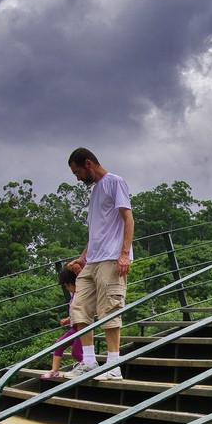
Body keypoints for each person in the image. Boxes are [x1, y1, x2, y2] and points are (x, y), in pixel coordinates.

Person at [63, 148, 135, 381]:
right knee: (79, 308)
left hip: (112, 258)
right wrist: (82, 257)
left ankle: (114, 366)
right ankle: (89, 362)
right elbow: (96, 233)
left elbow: (128, 219)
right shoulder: (95, 192)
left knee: (110, 309)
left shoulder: (115, 182)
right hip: (92, 261)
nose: (78, 178)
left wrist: (124, 254)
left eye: (78, 172)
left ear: (88, 164)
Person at [42, 267, 84, 379]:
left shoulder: (82, 294)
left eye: (67, 286)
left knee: (76, 353)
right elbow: (75, 313)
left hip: (82, 328)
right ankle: (54, 370)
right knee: (59, 345)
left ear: (72, 283)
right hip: (74, 327)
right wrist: (68, 320)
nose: (67, 288)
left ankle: (88, 366)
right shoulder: (73, 296)